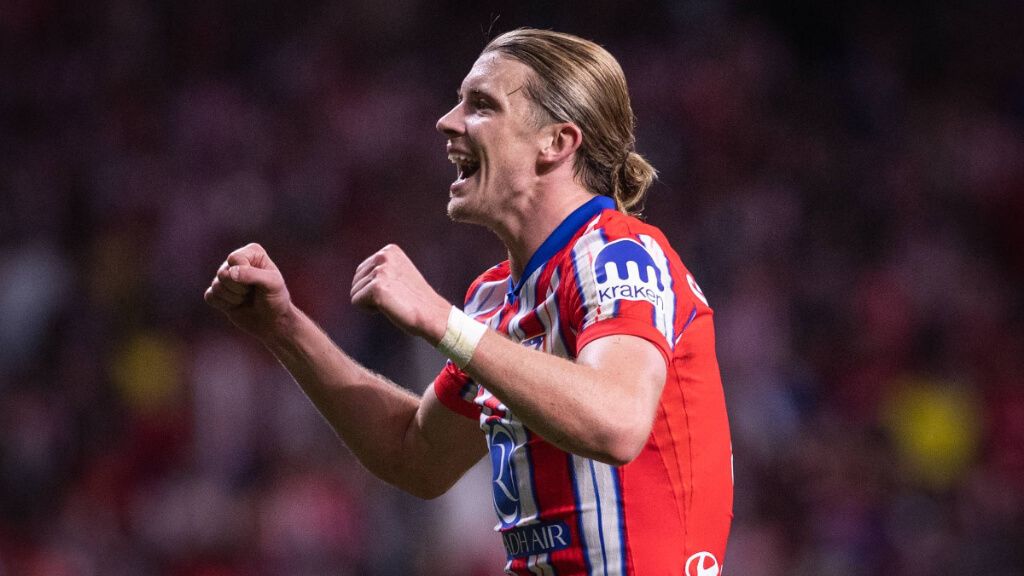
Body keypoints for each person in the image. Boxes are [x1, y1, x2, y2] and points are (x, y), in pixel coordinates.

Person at [204, 28, 732, 576]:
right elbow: (414, 455)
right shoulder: (495, 297)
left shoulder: (619, 253)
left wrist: (439, 320)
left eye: (480, 105)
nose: (447, 121)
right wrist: (285, 327)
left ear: (556, 142)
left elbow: (618, 422)